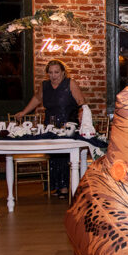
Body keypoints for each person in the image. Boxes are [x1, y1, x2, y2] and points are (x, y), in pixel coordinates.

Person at [13, 59, 86, 198]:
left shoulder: (70, 83)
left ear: (63, 72)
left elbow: (81, 102)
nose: (54, 75)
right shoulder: (45, 86)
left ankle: (65, 187)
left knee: (64, 154)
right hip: (50, 124)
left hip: (67, 123)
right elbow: (36, 99)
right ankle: (57, 186)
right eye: (51, 72)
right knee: (54, 155)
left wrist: (82, 114)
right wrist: (24, 112)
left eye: (57, 72)